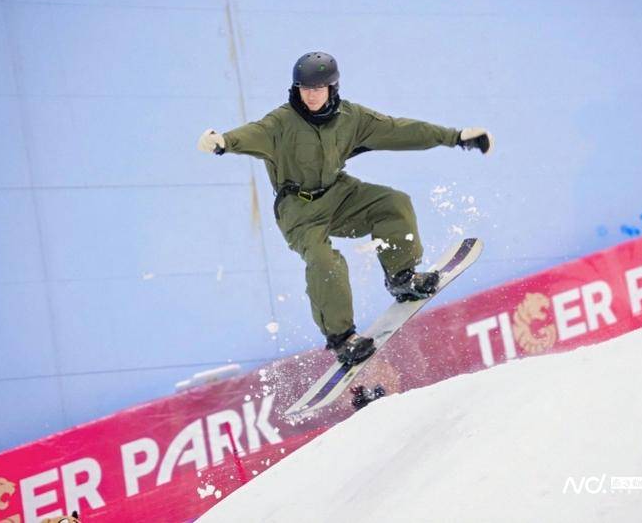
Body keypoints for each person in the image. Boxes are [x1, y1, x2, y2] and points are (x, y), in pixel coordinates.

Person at [198, 51, 492, 365]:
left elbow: (399, 129)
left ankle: (402, 278)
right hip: (298, 209)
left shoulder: (350, 118)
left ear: (332, 88)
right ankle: (342, 339)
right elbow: (251, 134)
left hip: (339, 194)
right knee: (325, 262)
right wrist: (223, 142)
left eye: (317, 88)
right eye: (304, 88)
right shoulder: (280, 123)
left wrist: (455, 137)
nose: (310, 95)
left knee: (393, 204)